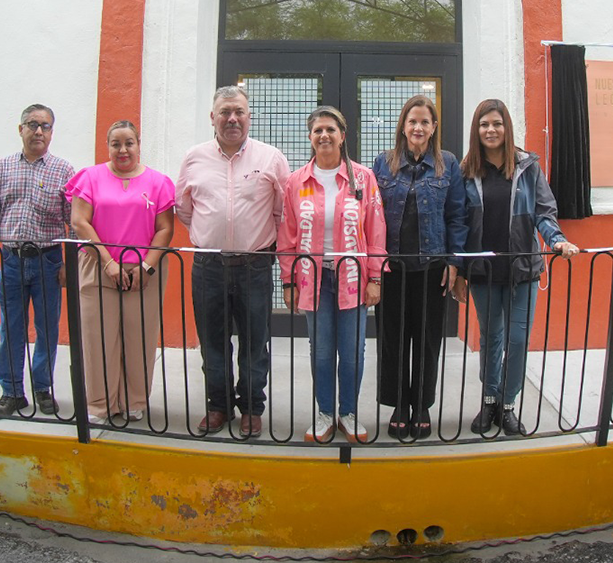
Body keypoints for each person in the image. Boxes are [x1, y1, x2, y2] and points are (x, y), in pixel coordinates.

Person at [456, 99, 579, 436]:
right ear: (476, 130)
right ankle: (489, 401)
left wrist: (556, 240)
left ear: (506, 128)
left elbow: (544, 212)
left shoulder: (527, 167)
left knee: (518, 338)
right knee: (491, 338)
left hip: (523, 269)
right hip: (483, 271)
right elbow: (460, 223)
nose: (490, 130)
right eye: (484, 125)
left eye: (496, 124)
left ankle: (508, 404)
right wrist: (459, 271)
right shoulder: (467, 171)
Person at [176, 86, 290, 437]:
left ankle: (252, 407)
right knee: (212, 341)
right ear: (213, 117)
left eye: (239, 112)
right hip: (208, 267)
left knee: (255, 343)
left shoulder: (271, 158)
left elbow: (282, 211)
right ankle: (218, 405)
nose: (232, 119)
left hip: (255, 266)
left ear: (249, 116)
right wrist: (213, 234)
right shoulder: (194, 158)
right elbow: (184, 209)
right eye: (225, 112)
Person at [279, 106, 387, 442]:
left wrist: (375, 277)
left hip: (353, 277)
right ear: (310, 137)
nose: (324, 136)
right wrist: (288, 281)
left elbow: (376, 230)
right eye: (318, 130)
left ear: (343, 136)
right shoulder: (296, 182)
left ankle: (348, 413)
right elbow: (287, 235)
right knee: (322, 350)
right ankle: (325, 413)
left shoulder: (363, 178)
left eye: (330, 130)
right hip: (313, 279)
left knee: (353, 350)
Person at [372, 94, 468, 440]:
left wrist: (455, 263)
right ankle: (399, 404)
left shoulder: (448, 164)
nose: (418, 127)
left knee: (427, 341)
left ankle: (422, 405)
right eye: (412, 121)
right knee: (393, 340)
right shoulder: (383, 164)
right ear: (403, 126)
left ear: (434, 127)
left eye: (425, 121)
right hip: (392, 269)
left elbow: (457, 216)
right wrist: (373, 266)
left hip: (432, 269)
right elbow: (372, 216)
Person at [67, 120, 175, 423]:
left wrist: (146, 266)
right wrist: (107, 262)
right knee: (98, 337)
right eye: (116, 144)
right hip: (98, 264)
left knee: (139, 335)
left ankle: (134, 400)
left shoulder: (159, 182)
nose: (123, 150)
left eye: (129, 143)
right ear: (108, 146)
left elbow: (165, 228)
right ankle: (100, 403)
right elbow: (79, 222)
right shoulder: (89, 178)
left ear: (139, 144)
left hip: (144, 270)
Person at [0, 104, 75, 418]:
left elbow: (73, 221)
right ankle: (11, 391)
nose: (38, 131)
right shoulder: (2, 168)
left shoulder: (63, 170)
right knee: (11, 328)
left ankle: (42, 388)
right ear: (20, 129)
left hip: (48, 262)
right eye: (32, 124)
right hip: (11, 261)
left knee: (47, 328)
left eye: (45, 126)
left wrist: (68, 264)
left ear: (52, 132)